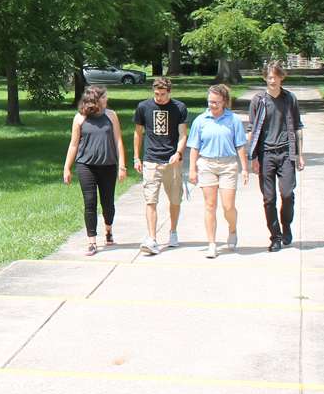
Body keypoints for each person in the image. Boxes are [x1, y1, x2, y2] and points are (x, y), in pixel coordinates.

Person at [247, 61, 305, 252]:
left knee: (287, 194)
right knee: (268, 198)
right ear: (265, 78)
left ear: (281, 77)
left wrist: (300, 154)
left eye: (276, 76)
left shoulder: (290, 99)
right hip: (266, 154)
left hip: (286, 152)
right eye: (269, 77)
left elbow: (297, 127)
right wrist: (252, 157)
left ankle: (286, 225)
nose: (272, 80)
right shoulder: (259, 100)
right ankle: (275, 236)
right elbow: (252, 130)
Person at [62, 86, 128, 255]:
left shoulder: (111, 115)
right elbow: (74, 144)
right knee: (89, 203)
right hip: (86, 166)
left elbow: (118, 141)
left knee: (108, 203)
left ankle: (108, 230)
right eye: (104, 97)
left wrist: (122, 165)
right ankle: (92, 241)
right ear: (95, 99)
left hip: (108, 165)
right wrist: (66, 168)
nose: (107, 99)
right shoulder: (80, 118)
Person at [187, 83, 249, 259]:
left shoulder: (233, 120)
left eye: (216, 102)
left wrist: (245, 168)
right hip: (206, 164)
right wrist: (192, 169)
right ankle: (212, 243)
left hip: (228, 165)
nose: (212, 105)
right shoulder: (200, 120)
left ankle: (232, 229)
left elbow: (240, 145)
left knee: (228, 206)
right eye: (210, 101)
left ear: (224, 102)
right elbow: (194, 147)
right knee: (210, 205)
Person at [133, 77, 188, 254]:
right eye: (156, 94)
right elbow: (138, 134)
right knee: (151, 201)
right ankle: (152, 238)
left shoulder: (179, 108)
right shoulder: (143, 107)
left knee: (174, 200)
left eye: (163, 94)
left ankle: (173, 231)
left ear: (169, 92)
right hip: (151, 160)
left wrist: (178, 153)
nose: (159, 98)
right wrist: (136, 157)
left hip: (171, 161)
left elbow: (182, 135)